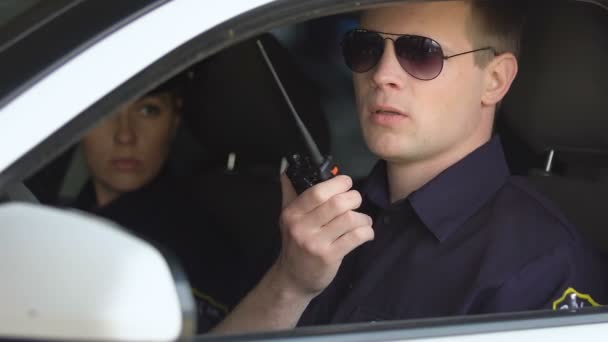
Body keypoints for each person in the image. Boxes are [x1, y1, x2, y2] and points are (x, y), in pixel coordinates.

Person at [211, 0, 607, 334]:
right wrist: (290, 284)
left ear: (495, 80)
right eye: (365, 48)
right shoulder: (313, 221)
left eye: (421, 53)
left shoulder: (542, 265)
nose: (381, 75)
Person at [72, 74, 251, 332]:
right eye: (104, 110)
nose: (125, 135)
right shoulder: (62, 215)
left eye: (148, 110)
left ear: (174, 121)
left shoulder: (199, 249)